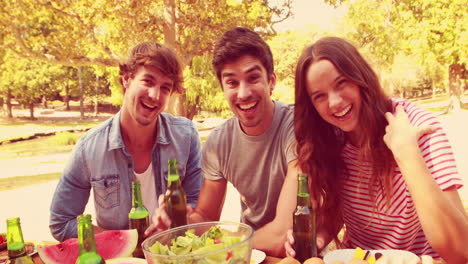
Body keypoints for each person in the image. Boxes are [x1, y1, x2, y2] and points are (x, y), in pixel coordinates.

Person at [286, 36, 468, 263]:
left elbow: (462, 251)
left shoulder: (419, 127)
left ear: (360, 77)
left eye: (341, 82)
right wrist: (318, 238)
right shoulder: (330, 139)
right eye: (319, 96)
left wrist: (406, 152)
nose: (334, 102)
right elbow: (337, 213)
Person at [148, 27, 298, 256]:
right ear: (223, 88)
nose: (244, 93)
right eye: (232, 82)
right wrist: (179, 222)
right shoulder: (219, 142)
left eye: (253, 78)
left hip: (300, 255)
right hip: (248, 254)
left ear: (272, 81)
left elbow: (282, 234)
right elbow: (206, 217)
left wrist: (223, 247)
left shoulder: (297, 127)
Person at [49, 42, 203, 242]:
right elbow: (61, 221)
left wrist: (178, 217)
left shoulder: (186, 136)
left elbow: (198, 210)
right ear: (126, 80)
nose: (155, 96)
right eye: (148, 81)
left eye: (165, 88)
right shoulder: (89, 148)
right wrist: (118, 241)